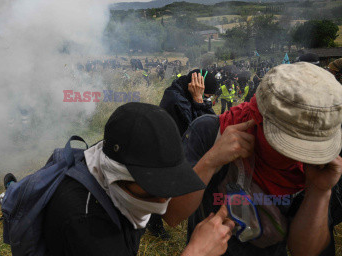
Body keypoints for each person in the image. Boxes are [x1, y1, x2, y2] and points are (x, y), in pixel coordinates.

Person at [178, 63, 342, 256]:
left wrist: (320, 191)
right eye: (288, 143)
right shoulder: (209, 132)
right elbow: (174, 213)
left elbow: (304, 251)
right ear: (259, 115)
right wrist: (211, 161)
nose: (296, 157)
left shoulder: (320, 166)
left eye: (308, 147)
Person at [41, 103, 235, 256]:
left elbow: (172, 215)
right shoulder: (85, 222)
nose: (162, 199)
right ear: (118, 174)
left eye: (166, 185)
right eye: (151, 186)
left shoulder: (108, 170)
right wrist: (196, 252)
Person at [148, 69, 217, 239]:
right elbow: (199, 127)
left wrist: (200, 101)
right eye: (207, 95)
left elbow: (213, 123)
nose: (209, 100)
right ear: (195, 86)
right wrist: (199, 101)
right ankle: (153, 225)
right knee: (162, 187)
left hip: (173, 149)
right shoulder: (176, 99)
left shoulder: (182, 93)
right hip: (166, 152)